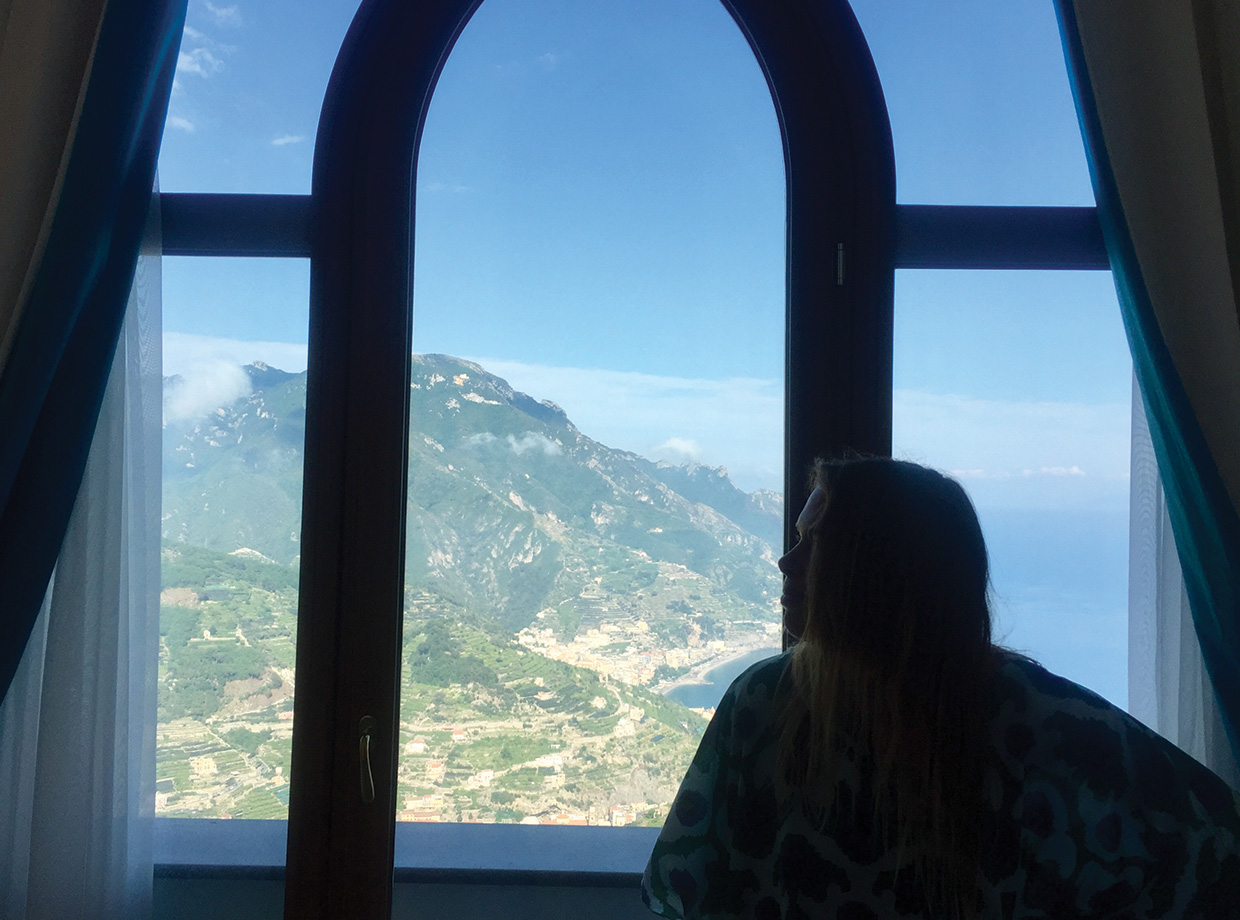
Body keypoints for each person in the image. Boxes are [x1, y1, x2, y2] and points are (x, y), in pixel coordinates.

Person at [641, 457, 1240, 919]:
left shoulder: (763, 704)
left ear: (876, 572)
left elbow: (683, 884)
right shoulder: (1046, 723)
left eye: (815, 544)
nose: (786, 563)